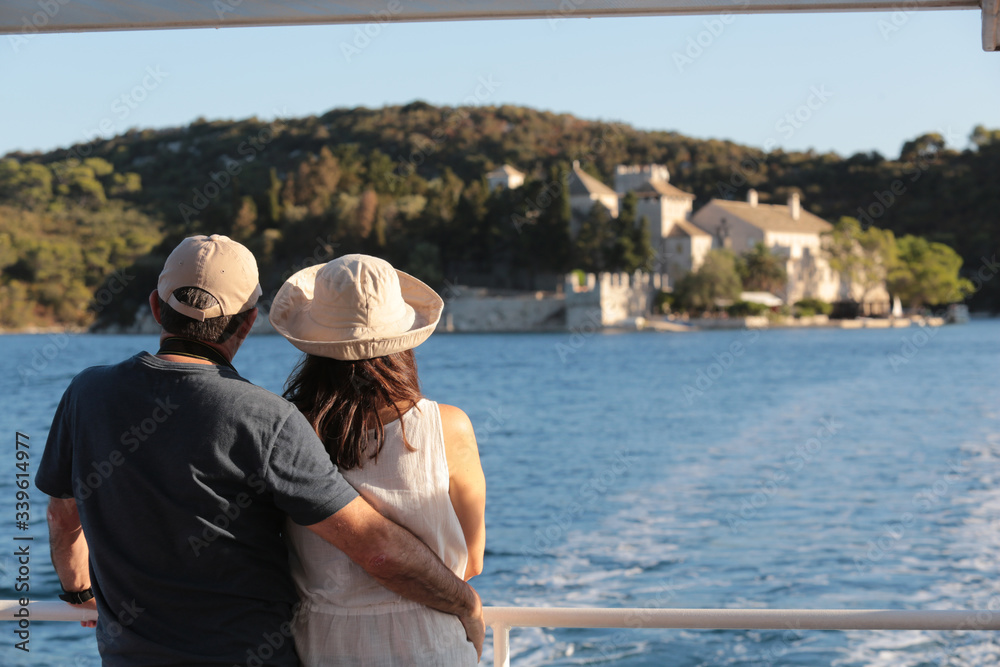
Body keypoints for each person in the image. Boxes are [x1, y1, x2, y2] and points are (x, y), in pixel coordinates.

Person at [36, 235, 484, 666]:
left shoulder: (85, 393)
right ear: (248, 322)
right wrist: (465, 603)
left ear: (155, 307)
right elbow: (376, 550)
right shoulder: (266, 418)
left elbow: (62, 516)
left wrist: (78, 592)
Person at [268, 254, 486, 666]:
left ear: (314, 344)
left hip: (322, 646)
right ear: (405, 339)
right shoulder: (448, 427)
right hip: (430, 642)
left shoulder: (285, 430)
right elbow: (471, 561)